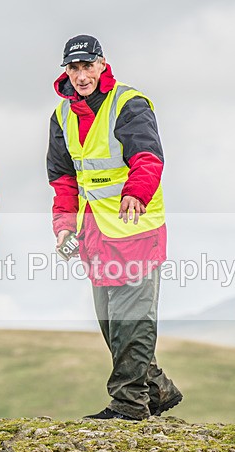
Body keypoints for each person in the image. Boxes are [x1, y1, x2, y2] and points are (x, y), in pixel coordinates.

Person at [46, 35, 182, 421]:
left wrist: (136, 193)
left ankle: (128, 405)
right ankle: (156, 388)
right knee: (112, 326)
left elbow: (147, 157)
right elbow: (64, 180)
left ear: (103, 64)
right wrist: (63, 226)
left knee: (132, 323)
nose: (81, 75)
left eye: (88, 66)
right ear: (66, 73)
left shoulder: (129, 103)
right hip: (96, 236)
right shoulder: (61, 117)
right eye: (73, 68)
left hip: (136, 228)